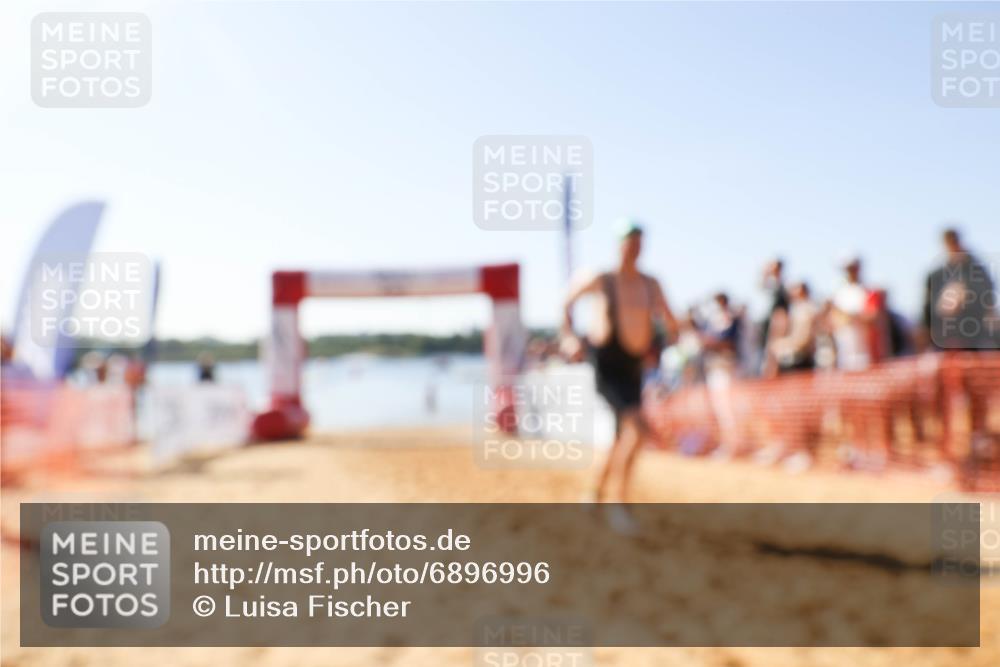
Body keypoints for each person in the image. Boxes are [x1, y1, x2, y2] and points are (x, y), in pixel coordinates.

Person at [561, 219, 677, 527]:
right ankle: (618, 505)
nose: (635, 250)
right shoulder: (601, 278)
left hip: (633, 366)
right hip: (607, 365)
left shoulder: (650, 284)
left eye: (639, 243)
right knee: (637, 429)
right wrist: (569, 336)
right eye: (630, 243)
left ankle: (594, 492)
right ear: (619, 245)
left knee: (620, 436)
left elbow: (670, 320)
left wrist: (665, 343)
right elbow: (567, 302)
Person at [923, 227, 997, 350]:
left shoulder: (976, 270)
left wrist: (968, 294)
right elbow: (928, 305)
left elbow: (988, 295)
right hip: (946, 334)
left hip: (975, 330)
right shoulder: (937, 275)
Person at [766, 281, 819, 375]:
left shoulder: (808, 310)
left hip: (801, 359)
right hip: (795, 358)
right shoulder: (796, 310)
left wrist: (782, 345)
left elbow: (803, 339)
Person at [830, 255, 872, 370]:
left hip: (865, 351)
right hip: (845, 351)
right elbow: (835, 319)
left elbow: (871, 316)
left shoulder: (866, 291)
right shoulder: (840, 292)